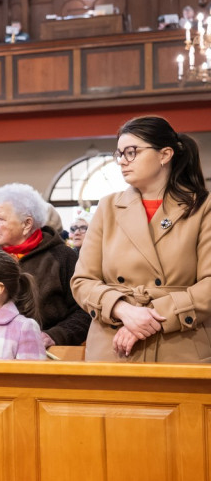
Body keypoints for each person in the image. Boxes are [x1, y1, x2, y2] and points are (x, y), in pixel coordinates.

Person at [72, 116, 211, 362]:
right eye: (119, 154)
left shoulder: (202, 206)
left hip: (179, 341)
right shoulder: (107, 207)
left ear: (164, 155)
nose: (122, 161)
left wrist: (151, 317)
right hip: (113, 341)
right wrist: (123, 310)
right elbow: (82, 281)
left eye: (132, 152)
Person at [0, 183, 90, 347]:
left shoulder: (62, 257)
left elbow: (85, 311)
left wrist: (55, 335)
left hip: (47, 353)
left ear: (27, 224)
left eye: (0, 218)